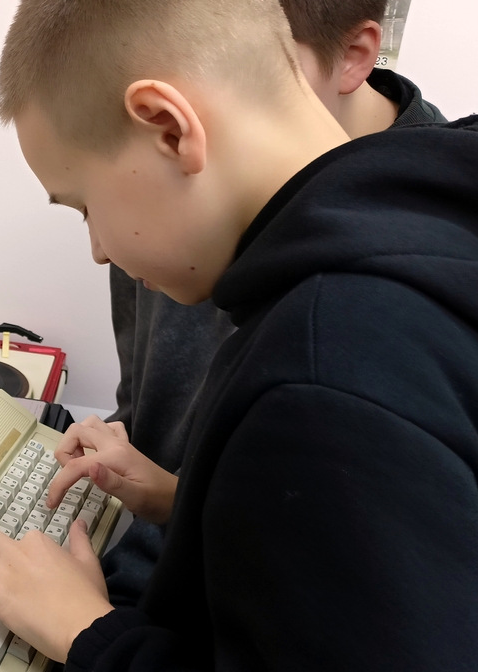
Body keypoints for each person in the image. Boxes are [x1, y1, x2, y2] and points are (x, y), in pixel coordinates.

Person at [0, 0, 478, 672]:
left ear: (169, 128)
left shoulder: (328, 371)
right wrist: (189, 499)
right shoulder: (394, 265)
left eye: (84, 206)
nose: (99, 249)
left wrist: (89, 632)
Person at [101, 0, 446, 607]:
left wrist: (93, 630)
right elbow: (145, 402)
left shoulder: (408, 274)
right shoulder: (166, 176)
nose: (183, 133)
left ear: (353, 57)